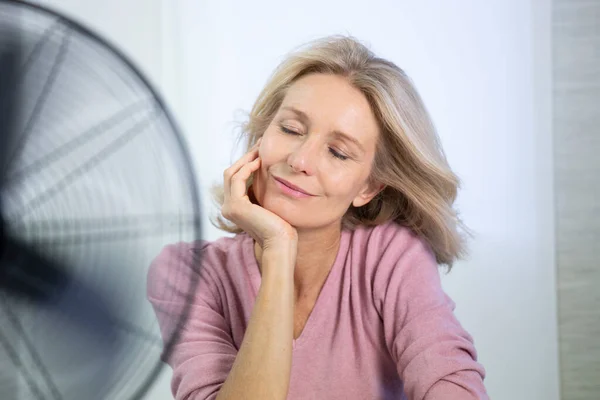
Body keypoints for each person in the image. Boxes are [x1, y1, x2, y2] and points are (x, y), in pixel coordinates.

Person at [147, 35, 489, 400]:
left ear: (369, 187)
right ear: (261, 135)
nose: (299, 160)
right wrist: (278, 254)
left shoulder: (392, 256)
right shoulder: (184, 274)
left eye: (338, 153)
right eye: (291, 129)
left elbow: (451, 380)